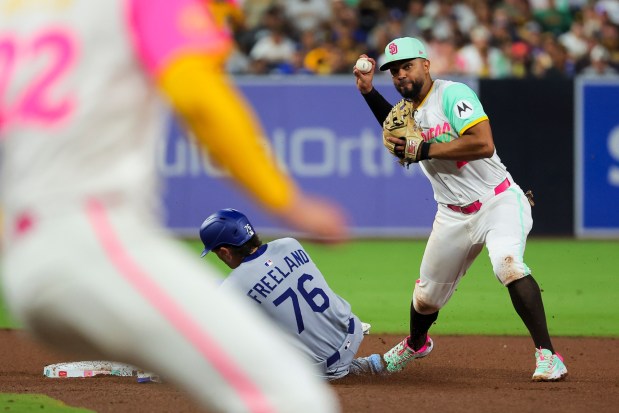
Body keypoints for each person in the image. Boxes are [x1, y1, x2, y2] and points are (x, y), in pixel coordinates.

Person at [0, 1, 349, 412]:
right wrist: (287, 201)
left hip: (24, 258)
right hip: (92, 237)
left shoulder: (21, 17)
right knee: (292, 397)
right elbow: (200, 101)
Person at [352, 37, 568, 382]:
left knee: (508, 265)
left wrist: (425, 150)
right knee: (425, 299)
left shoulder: (453, 95)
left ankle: (548, 355)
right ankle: (416, 344)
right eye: (394, 72)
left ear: (426, 64)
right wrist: (367, 92)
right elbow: (394, 125)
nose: (400, 76)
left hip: (497, 200)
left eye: (407, 66)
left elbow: (483, 143)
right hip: (452, 214)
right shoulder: (408, 110)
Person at [199, 208, 384, 380]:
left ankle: (346, 368)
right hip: (352, 329)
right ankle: (356, 363)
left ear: (225, 252)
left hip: (324, 367)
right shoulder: (289, 244)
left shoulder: (234, 287)